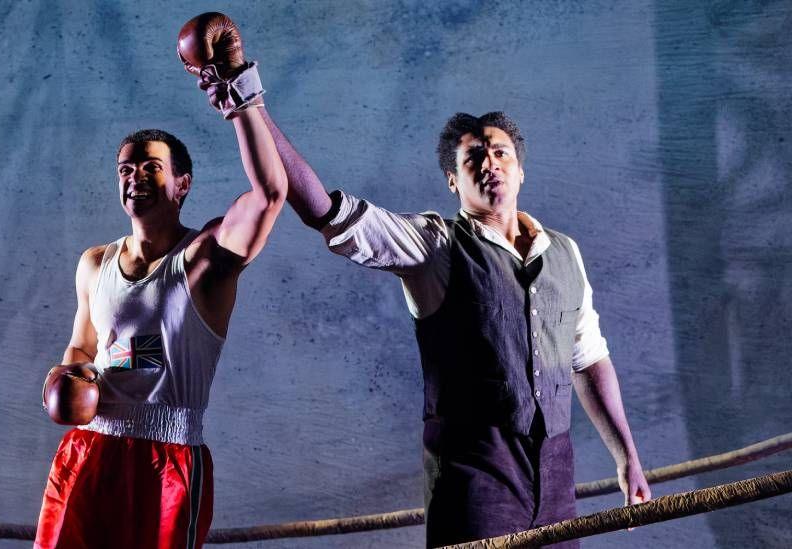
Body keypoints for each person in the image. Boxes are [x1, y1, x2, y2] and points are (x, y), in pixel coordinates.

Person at [260, 106, 651, 546]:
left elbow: (589, 360)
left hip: (555, 474)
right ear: (453, 180)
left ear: (521, 171)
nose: (490, 164)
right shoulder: (434, 246)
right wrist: (248, 104)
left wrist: (627, 458)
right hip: (474, 475)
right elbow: (325, 211)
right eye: (474, 158)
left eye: (501, 154)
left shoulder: (565, 253)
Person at [33, 24, 286, 548]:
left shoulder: (204, 260)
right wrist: (70, 376)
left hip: (165, 461)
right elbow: (87, 345)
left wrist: (237, 89)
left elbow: (269, 193)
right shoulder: (94, 263)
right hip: (88, 451)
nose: (135, 176)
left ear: (182, 184)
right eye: (126, 168)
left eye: (151, 166)